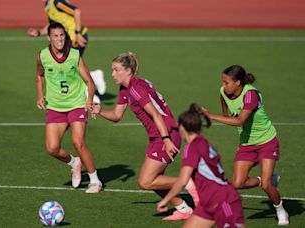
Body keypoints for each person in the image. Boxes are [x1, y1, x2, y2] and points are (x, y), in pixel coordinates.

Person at [91, 52, 199, 220]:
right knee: (154, 180)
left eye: (116, 70)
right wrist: (100, 110)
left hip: (165, 135)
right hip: (158, 137)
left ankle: (188, 181)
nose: (112, 74)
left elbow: (155, 114)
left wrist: (166, 140)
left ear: (128, 70)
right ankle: (183, 208)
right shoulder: (127, 88)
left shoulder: (136, 89)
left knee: (146, 181)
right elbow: (117, 116)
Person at [202, 65, 289, 225]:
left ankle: (280, 210)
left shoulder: (250, 95)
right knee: (238, 183)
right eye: (222, 82)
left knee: (266, 185)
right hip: (246, 143)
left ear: (238, 82)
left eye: (227, 82)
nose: (223, 86)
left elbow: (240, 120)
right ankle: (267, 179)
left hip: (266, 141)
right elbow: (227, 114)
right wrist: (216, 117)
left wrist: (211, 116)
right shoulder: (223, 92)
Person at [35, 22, 102, 193]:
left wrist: (89, 100)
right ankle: (74, 163)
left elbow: (89, 80)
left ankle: (95, 181)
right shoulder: (42, 56)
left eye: (62, 35)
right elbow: (39, 76)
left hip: (76, 104)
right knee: (52, 148)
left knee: (78, 142)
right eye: (55, 36)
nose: (59, 39)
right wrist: (40, 95)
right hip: (55, 107)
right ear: (49, 38)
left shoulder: (74, 55)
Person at [157, 104, 245, 228]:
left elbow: (183, 180)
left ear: (182, 128)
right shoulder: (203, 142)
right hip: (208, 202)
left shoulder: (192, 147)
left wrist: (166, 200)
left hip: (222, 200)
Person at [27, 0, 106, 99]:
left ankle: (91, 91)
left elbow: (77, 11)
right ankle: (93, 78)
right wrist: (38, 32)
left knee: (70, 68)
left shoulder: (57, 2)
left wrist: (77, 33)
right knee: (71, 69)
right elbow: (51, 26)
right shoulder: (48, 6)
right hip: (66, 40)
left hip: (75, 39)